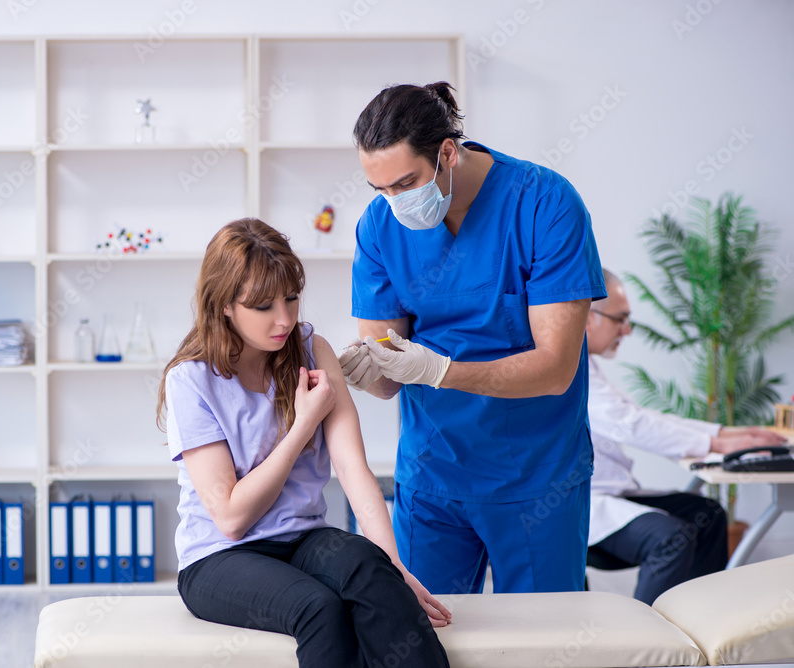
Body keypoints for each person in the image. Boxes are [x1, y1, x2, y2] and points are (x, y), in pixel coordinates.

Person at [339, 82, 607, 595]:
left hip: (535, 479)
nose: (395, 203)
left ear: (446, 154)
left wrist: (438, 371)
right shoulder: (379, 226)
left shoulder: (545, 205)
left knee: (540, 645)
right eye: (381, 190)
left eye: (406, 183)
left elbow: (555, 370)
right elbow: (389, 379)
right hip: (432, 474)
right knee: (420, 637)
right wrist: (366, 371)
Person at [156, 218, 451, 668]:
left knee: (375, 572)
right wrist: (302, 424)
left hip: (303, 540)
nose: (285, 318)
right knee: (319, 608)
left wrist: (397, 572)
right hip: (219, 558)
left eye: (291, 298)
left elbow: (353, 470)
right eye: (263, 306)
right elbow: (232, 518)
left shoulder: (313, 349)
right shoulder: (191, 380)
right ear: (225, 306)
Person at [586, 268, 788, 604]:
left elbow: (641, 416)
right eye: (619, 318)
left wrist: (724, 433)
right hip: (585, 504)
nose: (627, 329)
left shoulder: (588, 364)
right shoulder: (571, 367)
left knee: (708, 516)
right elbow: (630, 424)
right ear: (587, 317)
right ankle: (645, 646)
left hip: (611, 491)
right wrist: (718, 444)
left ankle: (697, 625)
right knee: (671, 538)